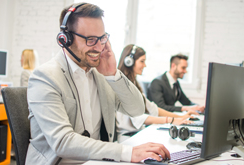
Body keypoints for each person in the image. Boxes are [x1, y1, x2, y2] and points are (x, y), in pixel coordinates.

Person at [25, 3, 170, 164]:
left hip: (97, 160)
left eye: (102, 38)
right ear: (65, 39)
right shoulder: (45, 77)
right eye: (91, 40)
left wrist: (113, 74)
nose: (99, 47)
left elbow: (136, 109)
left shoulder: (100, 75)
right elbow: (63, 142)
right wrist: (127, 152)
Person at [116, 44, 199, 142]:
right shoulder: (123, 85)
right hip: (128, 138)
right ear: (129, 62)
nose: (145, 65)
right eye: (142, 61)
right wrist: (171, 120)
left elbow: (153, 108)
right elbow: (139, 118)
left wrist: (180, 117)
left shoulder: (134, 84)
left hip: (137, 133)